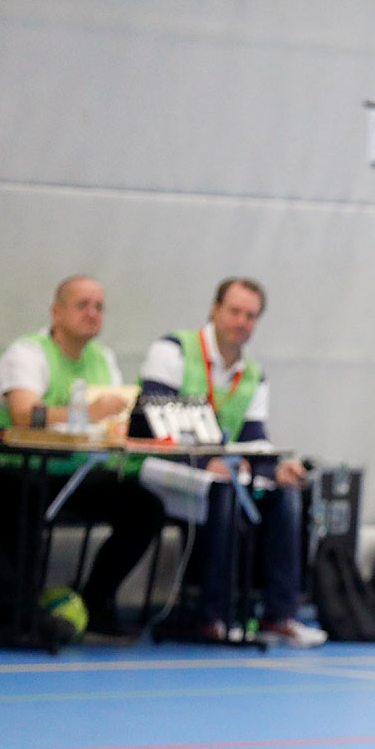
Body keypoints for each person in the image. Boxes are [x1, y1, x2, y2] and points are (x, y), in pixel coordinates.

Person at [138, 277, 327, 647]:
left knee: (284, 495)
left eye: (251, 316)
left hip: (220, 474)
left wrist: (274, 469)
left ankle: (279, 615)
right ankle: (213, 616)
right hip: (164, 469)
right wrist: (203, 462)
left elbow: (255, 438)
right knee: (222, 490)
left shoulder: (253, 374)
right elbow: (153, 419)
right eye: (235, 311)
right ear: (215, 309)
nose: (242, 322)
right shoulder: (172, 350)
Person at [0, 275, 165, 637]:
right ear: (56, 311)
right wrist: (89, 413)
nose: (93, 313)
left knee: (143, 506)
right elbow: (25, 415)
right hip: (11, 468)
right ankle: (15, 611)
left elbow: (116, 421)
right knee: (24, 499)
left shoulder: (104, 359)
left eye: (99, 306)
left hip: (73, 472)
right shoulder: (28, 353)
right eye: (82, 305)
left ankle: (96, 601)